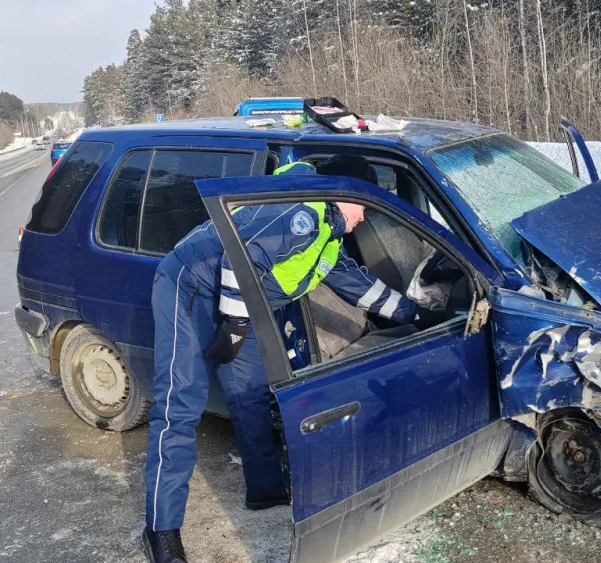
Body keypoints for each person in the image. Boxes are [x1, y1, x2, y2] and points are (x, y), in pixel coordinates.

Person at [142, 155, 444, 563]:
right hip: (190, 286)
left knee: (249, 393)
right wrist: (233, 324)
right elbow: (240, 255)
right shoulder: (300, 214)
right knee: (179, 405)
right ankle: (161, 532)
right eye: (363, 205)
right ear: (343, 194)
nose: (365, 216)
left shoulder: (329, 238)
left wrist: (415, 314)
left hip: (240, 300)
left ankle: (264, 489)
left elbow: (360, 287)